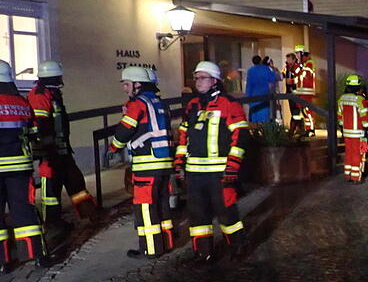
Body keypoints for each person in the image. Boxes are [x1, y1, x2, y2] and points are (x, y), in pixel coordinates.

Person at [175, 61, 250, 262]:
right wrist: (179, 163)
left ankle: (237, 246)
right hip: (194, 173)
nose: (197, 81)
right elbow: (183, 136)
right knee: (198, 216)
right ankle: (202, 253)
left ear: (214, 81)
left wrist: (232, 167)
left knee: (226, 212)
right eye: (196, 77)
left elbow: (241, 136)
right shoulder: (192, 106)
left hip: (220, 173)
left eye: (202, 77)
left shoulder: (229, 104)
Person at [109, 66, 174, 259]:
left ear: (138, 84)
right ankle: (166, 242)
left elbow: (125, 130)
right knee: (162, 203)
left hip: (147, 163)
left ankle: (150, 248)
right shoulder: (159, 102)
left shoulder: (138, 104)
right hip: (163, 162)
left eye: (127, 84)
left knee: (145, 206)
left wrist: (113, 148)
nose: (125, 89)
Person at [29, 60, 98, 239]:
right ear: (53, 76)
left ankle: (90, 213)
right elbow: (41, 125)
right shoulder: (39, 95)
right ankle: (52, 225)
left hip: (63, 152)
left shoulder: (52, 93)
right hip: (49, 155)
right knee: (51, 193)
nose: (61, 79)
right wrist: (47, 153)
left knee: (76, 183)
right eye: (59, 75)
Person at [0, 60, 48, 272]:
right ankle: (36, 256)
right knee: (25, 212)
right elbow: (34, 130)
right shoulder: (21, 102)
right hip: (20, 166)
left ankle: (4, 261)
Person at [337, 73, 368, 183]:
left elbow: (340, 117)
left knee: (348, 153)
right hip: (358, 133)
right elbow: (365, 117)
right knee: (358, 154)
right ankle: (356, 177)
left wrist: (343, 127)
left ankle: (348, 175)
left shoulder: (341, 99)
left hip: (347, 132)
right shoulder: (359, 99)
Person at [245, 55, 277, 124]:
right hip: (264, 97)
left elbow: (249, 85)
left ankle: (255, 132)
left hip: (253, 98)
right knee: (265, 118)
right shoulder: (266, 69)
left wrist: (247, 96)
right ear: (260, 61)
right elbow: (273, 78)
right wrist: (273, 68)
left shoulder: (250, 71)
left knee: (254, 118)